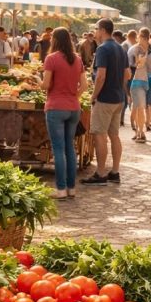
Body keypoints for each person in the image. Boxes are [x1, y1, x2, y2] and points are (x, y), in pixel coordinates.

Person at [43, 27, 88, 199]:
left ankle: (61, 189)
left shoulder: (51, 59)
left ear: (54, 40)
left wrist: (38, 81)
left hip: (55, 107)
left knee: (59, 149)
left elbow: (46, 84)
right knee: (70, 147)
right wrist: (73, 97)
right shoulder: (77, 59)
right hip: (73, 108)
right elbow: (84, 85)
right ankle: (71, 188)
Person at [83, 18, 129, 185]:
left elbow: (101, 75)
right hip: (118, 98)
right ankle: (115, 171)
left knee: (99, 135)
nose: (95, 32)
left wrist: (93, 96)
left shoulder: (103, 49)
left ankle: (101, 173)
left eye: (96, 29)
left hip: (105, 98)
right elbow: (127, 75)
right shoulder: (120, 48)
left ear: (102, 30)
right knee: (114, 135)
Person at [127, 31, 151, 142]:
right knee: (140, 107)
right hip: (136, 81)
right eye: (143, 38)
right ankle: (141, 133)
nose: (145, 40)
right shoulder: (134, 49)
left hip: (145, 81)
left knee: (138, 107)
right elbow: (133, 65)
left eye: (146, 38)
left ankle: (138, 130)